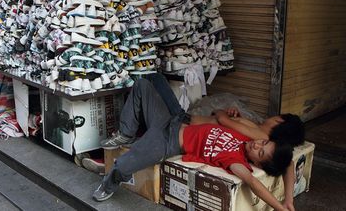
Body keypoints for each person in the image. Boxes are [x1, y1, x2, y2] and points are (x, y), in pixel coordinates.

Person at [92, 75, 304, 211]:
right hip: (171, 120)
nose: (257, 146)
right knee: (143, 83)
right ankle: (127, 133)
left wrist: (281, 206)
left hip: (168, 141)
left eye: (260, 153)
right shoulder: (248, 138)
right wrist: (289, 200)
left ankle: (109, 183)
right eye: (262, 143)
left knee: (123, 166)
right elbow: (288, 162)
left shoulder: (236, 161)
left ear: (258, 164)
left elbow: (254, 183)